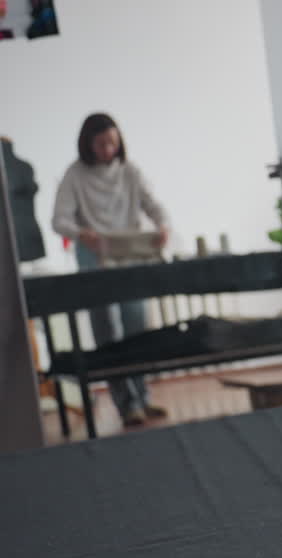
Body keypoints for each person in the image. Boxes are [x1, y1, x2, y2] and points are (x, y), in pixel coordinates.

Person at [52, 113, 170, 428]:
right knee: (107, 331)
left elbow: (153, 204)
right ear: (88, 143)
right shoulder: (74, 175)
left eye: (113, 143)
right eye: (101, 143)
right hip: (95, 257)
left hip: (129, 255)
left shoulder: (130, 172)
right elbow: (59, 220)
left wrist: (163, 225)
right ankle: (126, 404)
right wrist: (82, 233)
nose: (108, 149)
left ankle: (143, 400)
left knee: (136, 328)